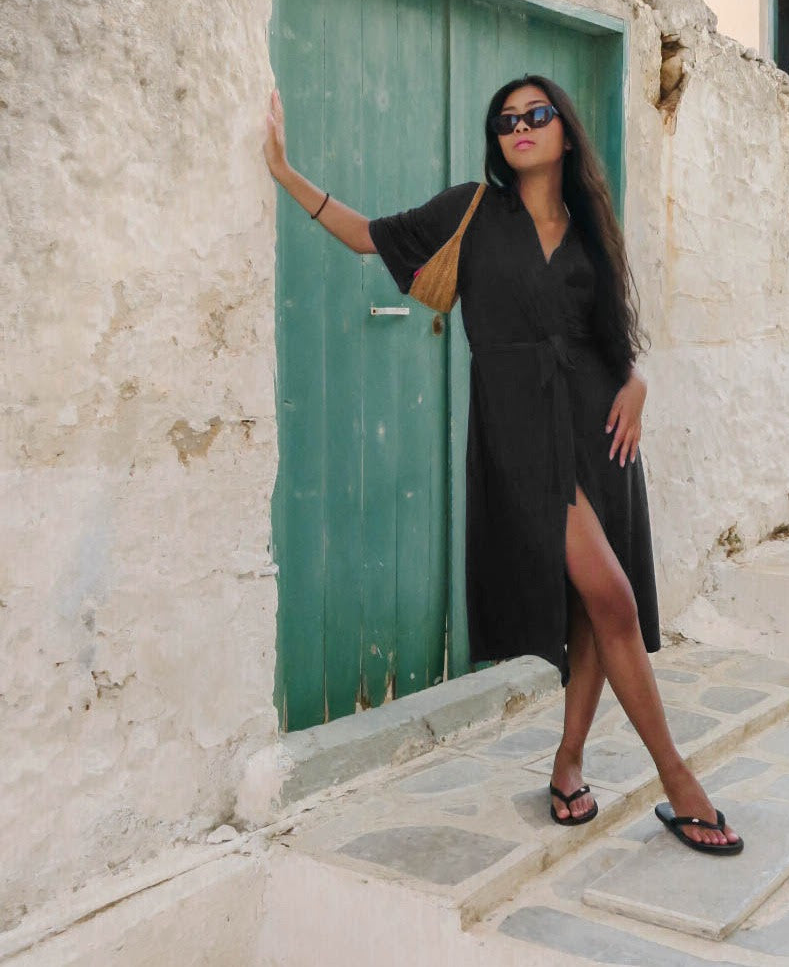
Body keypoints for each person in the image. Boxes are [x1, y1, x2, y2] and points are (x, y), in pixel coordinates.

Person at [263, 76, 743, 853]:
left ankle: (568, 763)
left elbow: (614, 334)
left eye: (536, 115)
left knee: (594, 608)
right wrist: (287, 175)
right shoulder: (472, 211)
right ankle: (678, 780)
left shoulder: (591, 224)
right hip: (519, 428)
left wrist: (640, 384)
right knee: (613, 596)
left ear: (563, 129)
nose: (519, 127)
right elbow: (366, 235)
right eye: (506, 121)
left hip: (599, 425)